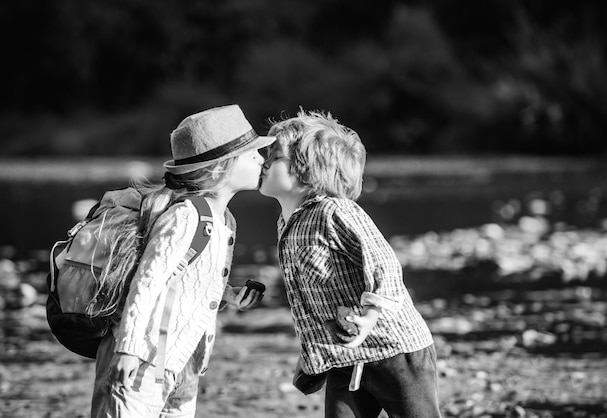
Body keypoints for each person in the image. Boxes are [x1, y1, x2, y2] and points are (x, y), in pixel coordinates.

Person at [91, 104, 275, 417]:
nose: (261, 159)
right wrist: (128, 347)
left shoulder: (225, 221)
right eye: (251, 154)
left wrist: (228, 294)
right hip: (143, 359)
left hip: (183, 364)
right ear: (222, 167)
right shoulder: (185, 216)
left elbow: (186, 279)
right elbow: (147, 282)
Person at [259, 109, 441, 418]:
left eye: (273, 158)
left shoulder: (336, 212)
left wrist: (370, 316)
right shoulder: (285, 224)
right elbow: (309, 301)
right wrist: (310, 358)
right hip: (343, 356)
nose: (262, 164)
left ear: (307, 170)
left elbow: (385, 264)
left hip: (396, 352)